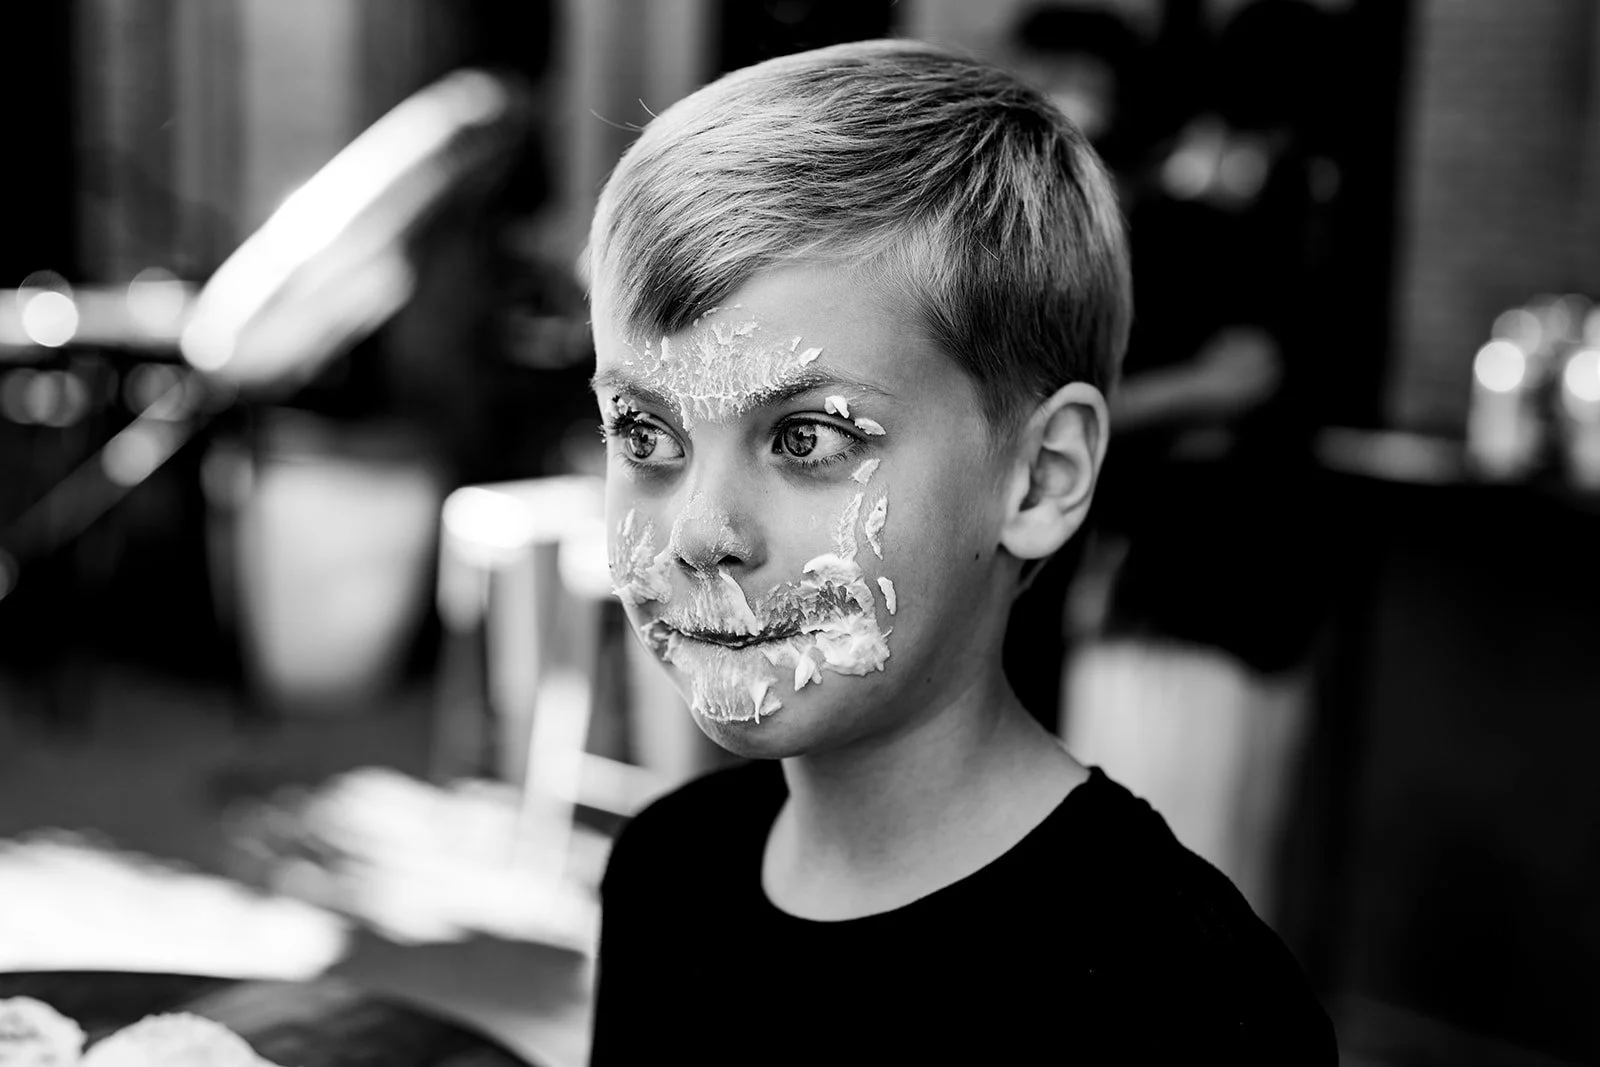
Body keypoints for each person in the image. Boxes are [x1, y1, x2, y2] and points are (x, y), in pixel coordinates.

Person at [581, 39, 1336, 1064]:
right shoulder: (666, 870)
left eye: (807, 438)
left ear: (1038, 477)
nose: (697, 532)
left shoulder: (1186, 1000)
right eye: (645, 434)